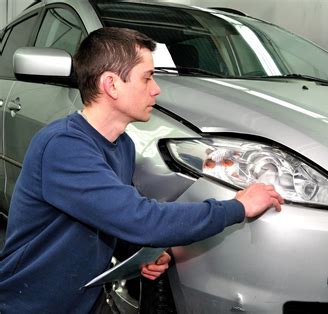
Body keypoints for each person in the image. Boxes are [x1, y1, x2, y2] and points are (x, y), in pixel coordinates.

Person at [0, 27, 283, 313]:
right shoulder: (64, 146)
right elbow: (140, 218)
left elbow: (113, 215)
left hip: (84, 299)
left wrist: (139, 253)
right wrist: (237, 207)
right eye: (147, 77)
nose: (156, 88)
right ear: (111, 85)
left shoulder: (121, 145)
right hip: (32, 304)